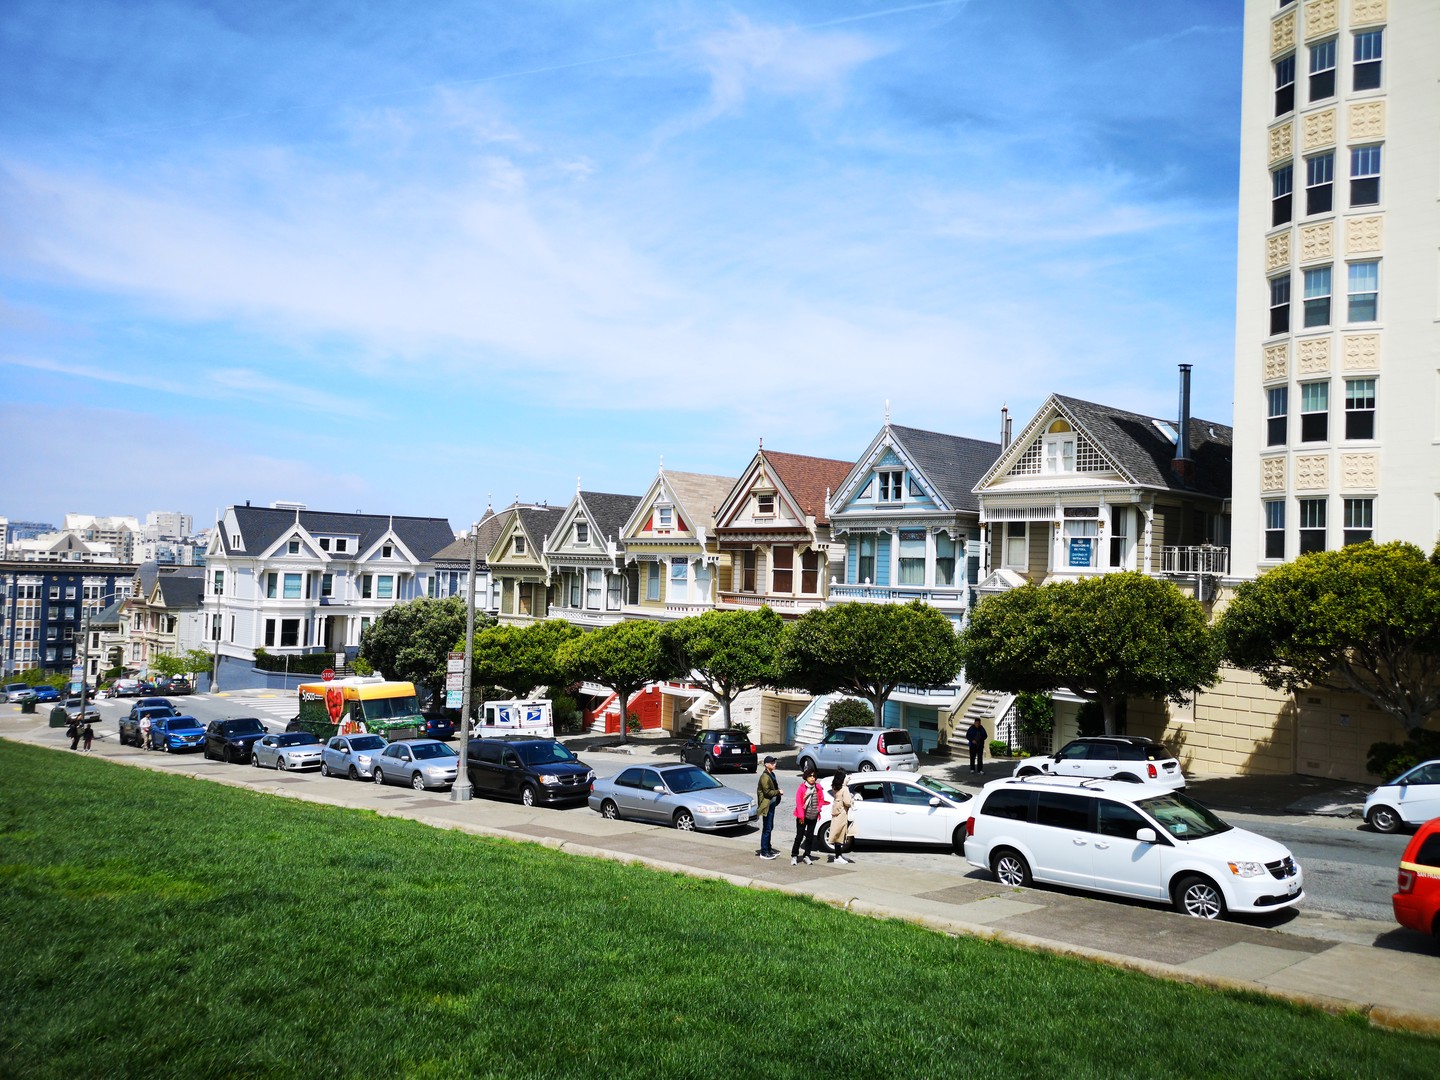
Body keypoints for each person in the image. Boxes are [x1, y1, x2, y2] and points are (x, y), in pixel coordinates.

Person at [791, 767, 828, 865]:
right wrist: (801, 816)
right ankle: (794, 855)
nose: (812, 778)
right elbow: (799, 803)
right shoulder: (802, 788)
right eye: (810, 776)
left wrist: (818, 808)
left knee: (810, 837)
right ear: (806, 777)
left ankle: (807, 855)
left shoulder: (818, 787)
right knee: (799, 836)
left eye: (814, 776)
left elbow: (821, 799)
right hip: (802, 816)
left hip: (813, 815)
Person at [755, 756, 783, 860]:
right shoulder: (764, 777)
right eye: (772, 763)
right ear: (766, 765)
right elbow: (767, 792)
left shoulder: (772, 774)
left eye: (774, 762)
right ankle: (764, 851)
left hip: (771, 804)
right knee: (767, 828)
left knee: (770, 827)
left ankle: (768, 848)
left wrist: (777, 791)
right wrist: (778, 792)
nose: (774, 764)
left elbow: (774, 787)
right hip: (766, 805)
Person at [827, 769, 856, 864]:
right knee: (840, 835)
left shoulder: (835, 787)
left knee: (837, 834)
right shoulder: (844, 788)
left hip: (836, 812)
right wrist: (853, 799)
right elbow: (847, 802)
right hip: (842, 813)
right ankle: (837, 856)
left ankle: (838, 855)